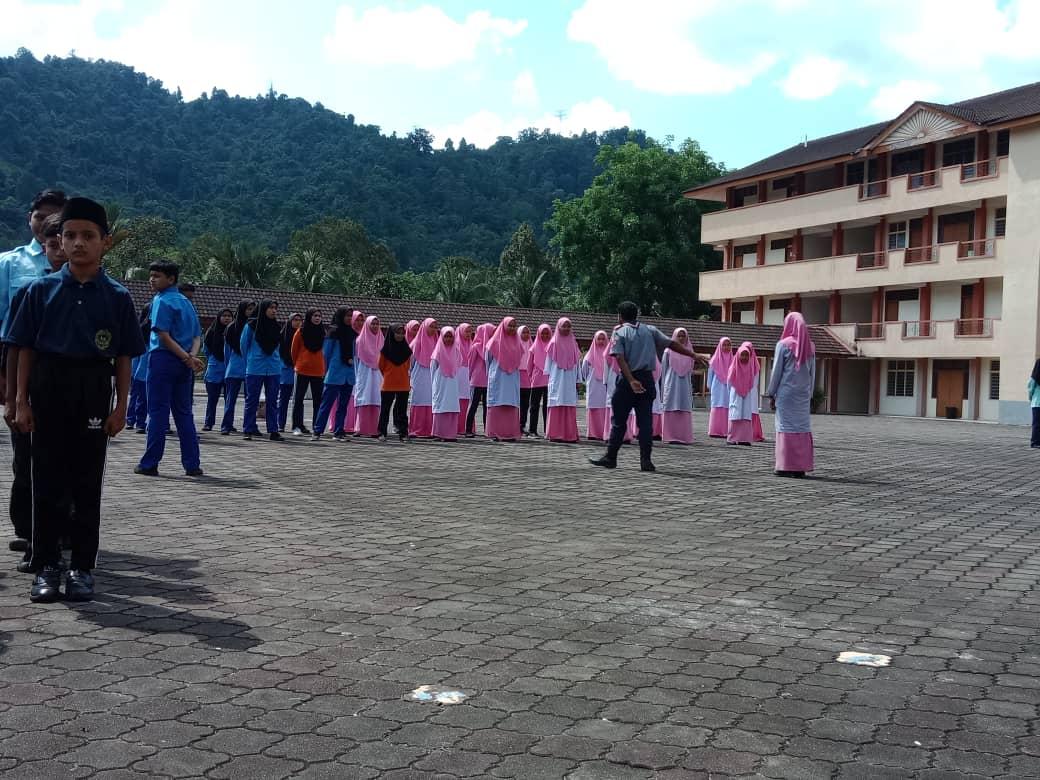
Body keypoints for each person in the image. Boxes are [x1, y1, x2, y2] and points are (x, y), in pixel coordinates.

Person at [8, 196, 145, 602]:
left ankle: (82, 568)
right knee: (45, 482)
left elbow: (123, 356)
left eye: (89, 236)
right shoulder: (40, 291)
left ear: (105, 242)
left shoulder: (117, 296)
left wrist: (120, 407)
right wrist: (19, 401)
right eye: (70, 236)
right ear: (60, 242)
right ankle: (47, 566)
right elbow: (24, 350)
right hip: (48, 387)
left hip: (91, 390)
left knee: (86, 485)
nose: (78, 243)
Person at [0, 190, 67, 558]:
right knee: (24, 455)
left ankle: (63, 528)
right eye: (41, 215)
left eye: (56, 216)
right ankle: (28, 529)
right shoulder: (9, 264)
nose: (47, 223)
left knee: (67, 459)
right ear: (30, 217)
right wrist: (7, 386)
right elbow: (5, 330)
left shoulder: (81, 273)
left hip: (66, 376)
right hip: (19, 368)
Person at [590, 301, 707, 472]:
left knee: (619, 421)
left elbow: (620, 358)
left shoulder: (619, 332)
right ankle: (646, 461)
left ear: (620, 316)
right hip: (647, 379)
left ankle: (611, 457)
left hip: (628, 381)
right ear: (636, 314)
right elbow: (671, 344)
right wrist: (693, 354)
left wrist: (630, 380)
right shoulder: (650, 330)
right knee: (645, 423)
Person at [134, 260, 203, 477]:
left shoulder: (161, 301)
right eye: (151, 275)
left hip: (164, 360)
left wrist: (185, 357)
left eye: (157, 276)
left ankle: (150, 463)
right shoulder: (186, 301)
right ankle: (192, 464)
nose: (152, 279)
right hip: (183, 363)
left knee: (158, 413)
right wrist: (191, 357)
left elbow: (162, 336)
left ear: (171, 279)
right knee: (184, 414)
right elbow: (196, 337)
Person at [766, 312, 816, 477]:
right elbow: (812, 373)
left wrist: (771, 393)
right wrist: (809, 394)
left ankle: (785, 466)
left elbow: (777, 372)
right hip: (803, 394)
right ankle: (800, 467)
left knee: (785, 426)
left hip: (786, 394)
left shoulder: (783, 345)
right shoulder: (810, 346)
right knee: (801, 427)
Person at [241, 300, 284, 442]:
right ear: (263, 309)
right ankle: (248, 429)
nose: (274, 311)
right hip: (255, 368)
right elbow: (244, 346)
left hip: (273, 368)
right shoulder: (251, 326)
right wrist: (250, 362)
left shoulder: (277, 327)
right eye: (271, 308)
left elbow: (280, 347)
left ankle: (273, 430)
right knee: (251, 400)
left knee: (272, 400)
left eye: (275, 308)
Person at [313, 306, 355, 441]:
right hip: (334, 373)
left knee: (343, 406)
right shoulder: (333, 332)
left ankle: (339, 431)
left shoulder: (353, 333)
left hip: (349, 374)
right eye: (347, 316)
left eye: (350, 316)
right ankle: (317, 431)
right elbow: (326, 355)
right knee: (326, 404)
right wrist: (323, 371)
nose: (349, 318)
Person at [485, 316, 523, 442]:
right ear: (503, 326)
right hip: (498, 376)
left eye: (514, 326)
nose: (512, 328)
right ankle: (494, 433)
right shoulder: (494, 342)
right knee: (497, 402)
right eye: (509, 325)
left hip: (512, 378)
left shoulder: (518, 343)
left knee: (510, 403)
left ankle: (510, 433)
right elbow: (488, 360)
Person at [544, 317, 581, 443]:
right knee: (557, 402)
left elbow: (577, 364)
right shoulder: (553, 343)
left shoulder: (573, 342)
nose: (566, 329)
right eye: (563, 326)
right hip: (557, 378)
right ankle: (555, 434)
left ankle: (569, 435)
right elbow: (548, 366)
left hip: (570, 378)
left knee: (569, 403)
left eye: (568, 326)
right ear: (558, 327)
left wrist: (578, 379)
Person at [220, 300, 254, 435]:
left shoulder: (254, 326)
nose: (251, 312)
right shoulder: (231, 327)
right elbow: (226, 351)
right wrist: (227, 366)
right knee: (230, 399)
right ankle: (226, 425)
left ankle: (250, 426)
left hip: (250, 368)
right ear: (242, 309)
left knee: (250, 400)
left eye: (253, 309)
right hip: (234, 367)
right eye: (249, 309)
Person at [291, 308, 326, 436]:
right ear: (309, 317)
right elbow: (294, 352)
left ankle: (316, 427)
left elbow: (324, 352)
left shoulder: (323, 332)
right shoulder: (300, 332)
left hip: (318, 371)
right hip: (302, 370)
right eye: (315, 316)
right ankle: (297, 426)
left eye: (319, 316)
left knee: (318, 400)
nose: (317, 318)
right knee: (298, 399)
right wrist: (299, 364)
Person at [660, 327, 695, 445]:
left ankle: (684, 436)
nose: (681, 338)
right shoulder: (668, 351)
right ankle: (670, 435)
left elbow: (690, 371)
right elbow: (664, 370)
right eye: (679, 336)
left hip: (684, 383)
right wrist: (664, 385)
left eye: (683, 336)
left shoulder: (690, 351)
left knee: (684, 406)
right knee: (671, 405)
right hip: (671, 382)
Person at [201, 308, 233, 431]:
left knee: (229, 399)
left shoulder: (233, 331)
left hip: (229, 369)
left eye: (229, 316)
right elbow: (206, 350)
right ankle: (208, 423)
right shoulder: (212, 331)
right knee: (212, 399)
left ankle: (227, 424)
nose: (226, 318)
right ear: (219, 317)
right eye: (224, 316)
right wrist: (214, 360)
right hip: (214, 370)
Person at [378, 322, 411, 442]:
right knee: (385, 409)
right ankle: (382, 432)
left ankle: (403, 433)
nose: (400, 335)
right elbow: (381, 366)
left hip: (403, 383)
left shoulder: (407, 350)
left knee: (402, 411)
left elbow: (407, 366)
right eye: (397, 333)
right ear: (392, 334)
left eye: (402, 333)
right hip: (388, 383)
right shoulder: (385, 350)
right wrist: (389, 374)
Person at [353, 314, 383, 437]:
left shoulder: (382, 340)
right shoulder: (360, 340)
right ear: (368, 325)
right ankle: (361, 428)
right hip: (364, 373)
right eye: (373, 324)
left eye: (377, 324)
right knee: (364, 398)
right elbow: (356, 360)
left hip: (378, 374)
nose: (375, 326)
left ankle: (375, 429)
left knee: (376, 398)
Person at [409, 317, 438, 438]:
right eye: (431, 326)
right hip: (419, 374)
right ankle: (416, 428)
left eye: (435, 327)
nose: (433, 329)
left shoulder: (436, 342)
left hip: (432, 375)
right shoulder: (416, 343)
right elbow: (411, 362)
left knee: (430, 400)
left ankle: (429, 428)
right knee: (419, 399)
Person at [431, 326, 461, 442]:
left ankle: (451, 434)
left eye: (450, 336)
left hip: (452, 382)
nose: (448, 339)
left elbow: (459, 364)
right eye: (446, 336)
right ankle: (439, 433)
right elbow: (433, 370)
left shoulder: (456, 351)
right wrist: (435, 385)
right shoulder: (437, 352)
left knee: (452, 406)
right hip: (440, 383)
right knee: (441, 406)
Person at [727, 341, 759, 446]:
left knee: (745, 415)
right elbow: (729, 382)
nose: (744, 357)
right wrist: (733, 392)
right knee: (735, 414)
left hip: (747, 395)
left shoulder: (750, 368)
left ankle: (744, 439)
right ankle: (732, 438)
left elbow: (752, 382)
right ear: (738, 355)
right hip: (736, 394)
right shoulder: (733, 367)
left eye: (747, 355)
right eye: (742, 355)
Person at [126, 304, 151, 434]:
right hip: (141, 371)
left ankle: (132, 420)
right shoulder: (143, 330)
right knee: (141, 396)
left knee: (137, 396)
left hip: (138, 370)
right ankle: (137, 422)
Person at [464, 323, 493, 437]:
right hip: (476, 381)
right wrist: (469, 378)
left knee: (487, 406)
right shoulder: (475, 346)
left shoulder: (490, 347)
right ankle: (468, 429)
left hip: (488, 381)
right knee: (473, 405)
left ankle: (487, 429)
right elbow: (470, 364)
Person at [581, 331, 610, 441]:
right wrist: (588, 379)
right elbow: (584, 371)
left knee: (603, 408)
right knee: (594, 407)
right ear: (595, 340)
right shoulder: (589, 355)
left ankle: (603, 432)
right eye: (599, 339)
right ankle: (593, 433)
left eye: (603, 339)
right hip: (593, 384)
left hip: (605, 385)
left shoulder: (608, 355)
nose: (601, 341)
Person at [277, 313, 302, 432]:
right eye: (295, 320)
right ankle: (280, 424)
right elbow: (278, 352)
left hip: (300, 369)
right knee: (284, 399)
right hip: (285, 369)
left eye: (299, 320)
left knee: (298, 400)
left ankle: (297, 424)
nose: (297, 322)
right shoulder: (283, 335)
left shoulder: (303, 335)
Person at [526, 323, 551, 437]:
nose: (545, 335)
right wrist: (531, 377)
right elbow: (529, 365)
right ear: (538, 334)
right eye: (543, 333)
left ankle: (548, 430)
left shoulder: (552, 346)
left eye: (547, 333)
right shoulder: (534, 347)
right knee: (534, 406)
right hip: (536, 380)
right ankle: (532, 430)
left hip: (549, 380)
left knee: (547, 406)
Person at [707, 337, 733, 438]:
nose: (726, 347)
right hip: (717, 386)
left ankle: (726, 431)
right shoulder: (714, 360)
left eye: (728, 345)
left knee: (727, 406)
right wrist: (709, 386)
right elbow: (710, 375)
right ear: (720, 346)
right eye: (724, 345)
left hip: (729, 387)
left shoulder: (733, 359)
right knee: (717, 406)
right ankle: (715, 430)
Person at [455, 322, 473, 435]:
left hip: (469, 374)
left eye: (470, 331)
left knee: (468, 399)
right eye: (466, 331)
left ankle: (467, 426)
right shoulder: (455, 344)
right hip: (458, 374)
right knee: (458, 399)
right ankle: (457, 426)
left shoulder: (472, 344)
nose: (468, 333)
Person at [518, 325, 534, 433]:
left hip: (527, 377)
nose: (526, 335)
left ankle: (522, 425)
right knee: (516, 402)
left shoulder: (531, 345)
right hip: (516, 375)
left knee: (525, 404)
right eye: (523, 332)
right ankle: (514, 424)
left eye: (527, 332)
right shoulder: (515, 344)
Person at [1028, 359, 1040, 448]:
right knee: (1037, 423)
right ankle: (1035, 442)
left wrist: (1030, 397)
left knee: (1036, 423)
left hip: (1037, 402)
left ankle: (1035, 441)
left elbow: (1030, 388)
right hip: (1037, 403)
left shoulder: (1035, 377)